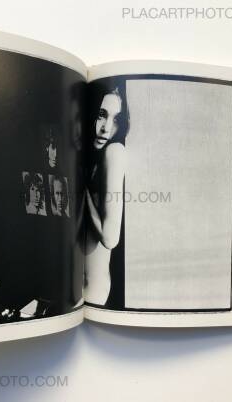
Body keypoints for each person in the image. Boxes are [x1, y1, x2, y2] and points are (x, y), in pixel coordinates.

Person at [85, 85, 129, 306]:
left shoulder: (114, 152)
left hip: (92, 290)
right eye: (101, 115)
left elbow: (110, 239)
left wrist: (82, 190)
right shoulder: (91, 155)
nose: (106, 128)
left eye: (116, 119)